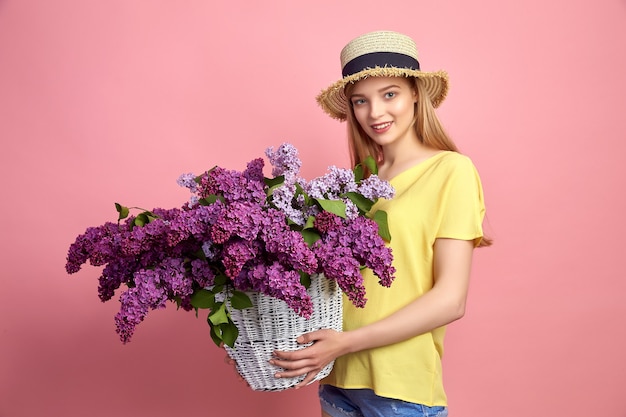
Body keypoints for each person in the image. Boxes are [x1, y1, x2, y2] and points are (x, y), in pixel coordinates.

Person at [268, 30, 491, 417]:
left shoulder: (451, 170)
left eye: (390, 94)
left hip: (399, 389)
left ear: (416, 94)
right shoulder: (354, 185)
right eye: (361, 101)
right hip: (338, 381)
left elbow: (451, 300)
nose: (375, 113)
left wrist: (347, 342)